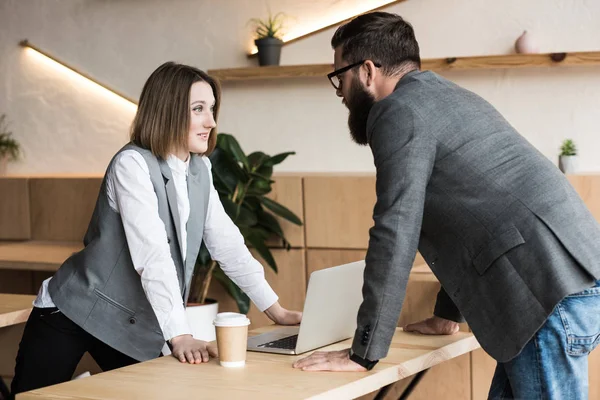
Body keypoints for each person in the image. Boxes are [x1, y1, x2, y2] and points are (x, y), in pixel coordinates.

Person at [292, 12, 600, 400]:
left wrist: (363, 352)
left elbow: (396, 226)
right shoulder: (445, 97)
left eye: (341, 75)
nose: (339, 89)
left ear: (368, 71)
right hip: (569, 278)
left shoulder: (396, 111)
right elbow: (478, 218)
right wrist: (447, 315)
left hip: (543, 291)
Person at [11, 61, 301, 397]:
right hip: (73, 312)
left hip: (130, 322)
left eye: (212, 108)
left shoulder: (200, 169)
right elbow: (153, 255)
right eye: (198, 109)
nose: (211, 121)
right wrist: (180, 334)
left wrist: (275, 309)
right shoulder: (131, 165)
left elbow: (227, 244)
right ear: (168, 111)